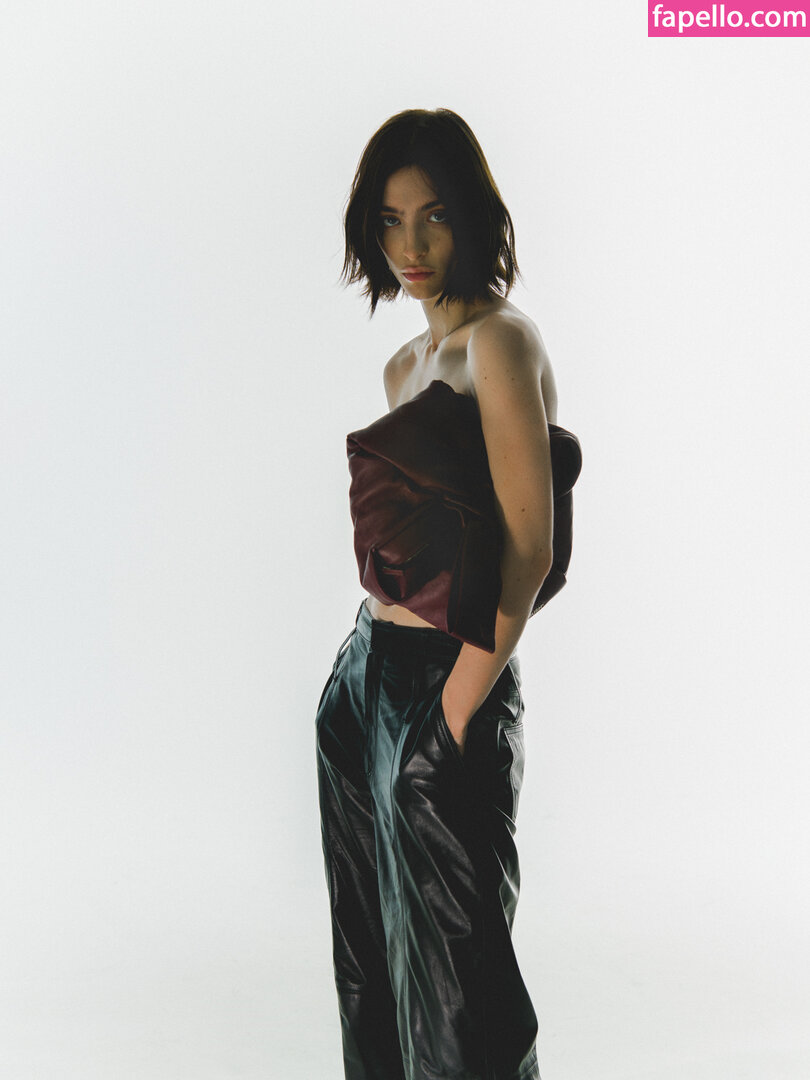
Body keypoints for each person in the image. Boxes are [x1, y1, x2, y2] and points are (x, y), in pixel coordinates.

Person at [316, 108, 563, 1080]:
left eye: (433, 216)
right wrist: (358, 689)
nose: (410, 245)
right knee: (373, 969)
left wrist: (455, 712)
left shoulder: (501, 343)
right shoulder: (405, 364)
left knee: (462, 998)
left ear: (471, 215)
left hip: (446, 680)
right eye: (389, 221)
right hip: (364, 679)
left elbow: (529, 548)